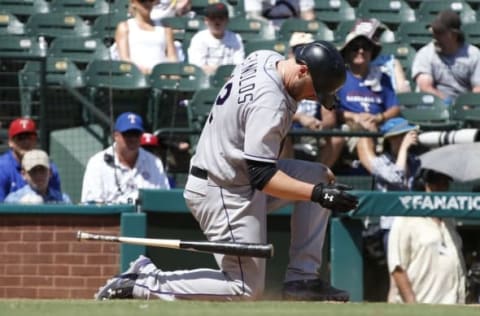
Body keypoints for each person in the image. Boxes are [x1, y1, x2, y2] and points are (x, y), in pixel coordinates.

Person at [94, 41, 359, 301]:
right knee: (243, 288)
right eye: (316, 89)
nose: (314, 97)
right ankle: (142, 282)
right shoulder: (270, 103)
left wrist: (318, 189)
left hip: (231, 174)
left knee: (318, 175)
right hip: (223, 190)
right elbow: (263, 176)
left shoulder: (265, 57)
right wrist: (318, 195)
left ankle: (302, 279)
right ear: (302, 70)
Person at [357, 117, 421, 301]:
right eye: (403, 135)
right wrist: (403, 148)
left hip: (412, 223)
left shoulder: (414, 161)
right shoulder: (380, 162)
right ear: (392, 139)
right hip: (391, 225)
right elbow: (396, 177)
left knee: (410, 270)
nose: (409, 137)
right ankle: (391, 306)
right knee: (396, 271)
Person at [388, 169, 466, 304]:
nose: (441, 189)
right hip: (422, 304)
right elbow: (397, 267)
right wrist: (413, 306)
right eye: (435, 184)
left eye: (444, 184)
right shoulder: (406, 219)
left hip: (453, 306)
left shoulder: (450, 219)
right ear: (423, 185)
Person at [332, 19, 402, 171]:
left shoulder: (382, 77)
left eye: (366, 47)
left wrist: (378, 118)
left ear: (372, 52)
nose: (361, 51)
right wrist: (355, 118)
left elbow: (395, 108)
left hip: (379, 126)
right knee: (362, 135)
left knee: (402, 132)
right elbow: (330, 110)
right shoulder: (339, 77)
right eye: (355, 48)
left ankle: (403, 177)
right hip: (350, 127)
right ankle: (384, 176)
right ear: (347, 52)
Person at [81, 112, 170, 204]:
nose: (133, 139)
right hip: (111, 217)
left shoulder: (154, 162)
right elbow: (91, 204)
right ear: (116, 135)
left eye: (136, 134)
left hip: (148, 216)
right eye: (127, 134)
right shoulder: (97, 163)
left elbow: (164, 199)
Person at [411, 9, 480, 105]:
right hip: (432, 107)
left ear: (455, 35)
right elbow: (425, 87)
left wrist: (466, 106)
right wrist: (449, 104)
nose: (435, 37)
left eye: (440, 32)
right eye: (434, 32)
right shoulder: (425, 53)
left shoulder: (473, 54)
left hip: (466, 108)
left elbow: (478, 88)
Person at [0, 117, 62, 202]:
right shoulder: (2, 168)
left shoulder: (49, 167)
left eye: (30, 137)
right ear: (11, 142)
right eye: (20, 138)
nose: (26, 142)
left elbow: (56, 200)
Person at [114, 0, 178, 74]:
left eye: (150, 1)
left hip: (162, 77)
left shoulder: (165, 29)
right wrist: (140, 70)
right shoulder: (125, 27)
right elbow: (124, 59)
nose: (147, 4)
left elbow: (172, 58)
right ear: (133, 3)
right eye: (143, 1)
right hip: (135, 76)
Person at [187, 2, 245, 76]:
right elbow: (197, 69)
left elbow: (239, 67)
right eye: (213, 18)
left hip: (229, 80)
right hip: (205, 81)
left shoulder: (236, 38)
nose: (217, 22)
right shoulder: (199, 39)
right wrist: (223, 71)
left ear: (227, 20)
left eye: (221, 18)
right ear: (206, 20)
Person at [4, 149, 71, 204]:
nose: (38, 175)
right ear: (23, 174)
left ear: (50, 172)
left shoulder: (63, 200)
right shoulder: (12, 201)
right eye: (33, 171)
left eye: (42, 170)